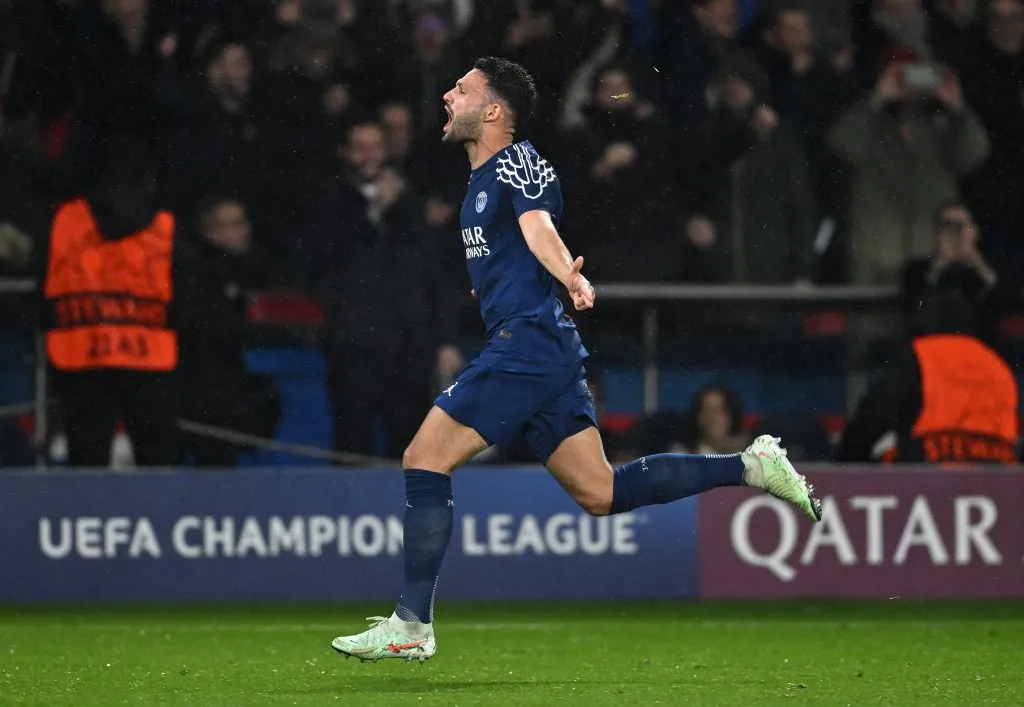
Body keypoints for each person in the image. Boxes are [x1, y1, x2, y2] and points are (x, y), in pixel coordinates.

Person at [329, 57, 821, 664]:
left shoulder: (516, 160)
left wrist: (569, 275)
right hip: (541, 349)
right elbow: (514, 250)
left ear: (493, 111)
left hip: (529, 345)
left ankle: (412, 622)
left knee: (423, 458)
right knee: (600, 492)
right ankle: (749, 466)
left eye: (461, 89)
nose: (448, 97)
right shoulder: (478, 183)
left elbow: (539, 228)